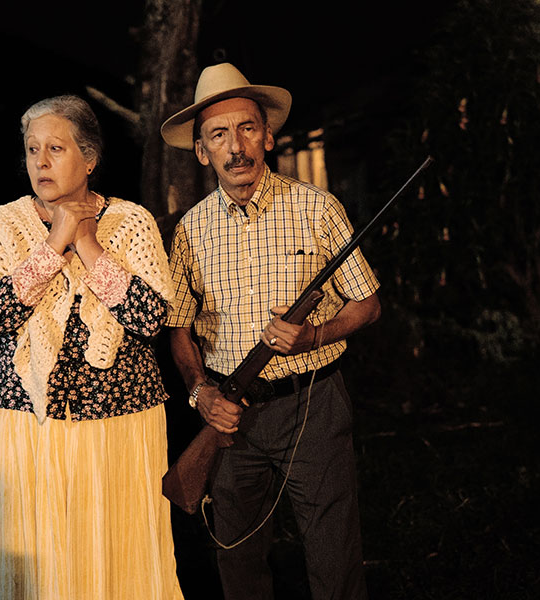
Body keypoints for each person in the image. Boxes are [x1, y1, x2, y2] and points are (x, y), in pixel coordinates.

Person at [161, 63, 381, 600]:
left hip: (313, 402)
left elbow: (368, 305)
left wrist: (315, 336)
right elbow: (179, 329)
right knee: (237, 561)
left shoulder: (317, 208)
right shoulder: (189, 230)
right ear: (201, 151)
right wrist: (200, 392)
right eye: (219, 134)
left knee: (333, 557)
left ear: (268, 136)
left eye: (247, 128)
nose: (236, 147)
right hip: (230, 412)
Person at [0, 94, 184, 600]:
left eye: (56, 149)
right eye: (32, 149)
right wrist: (52, 245)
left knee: (113, 551)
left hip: (117, 420)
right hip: (27, 419)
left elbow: (150, 317)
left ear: (89, 159)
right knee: (39, 554)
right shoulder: (4, 223)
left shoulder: (131, 221)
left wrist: (85, 243)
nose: (40, 162)